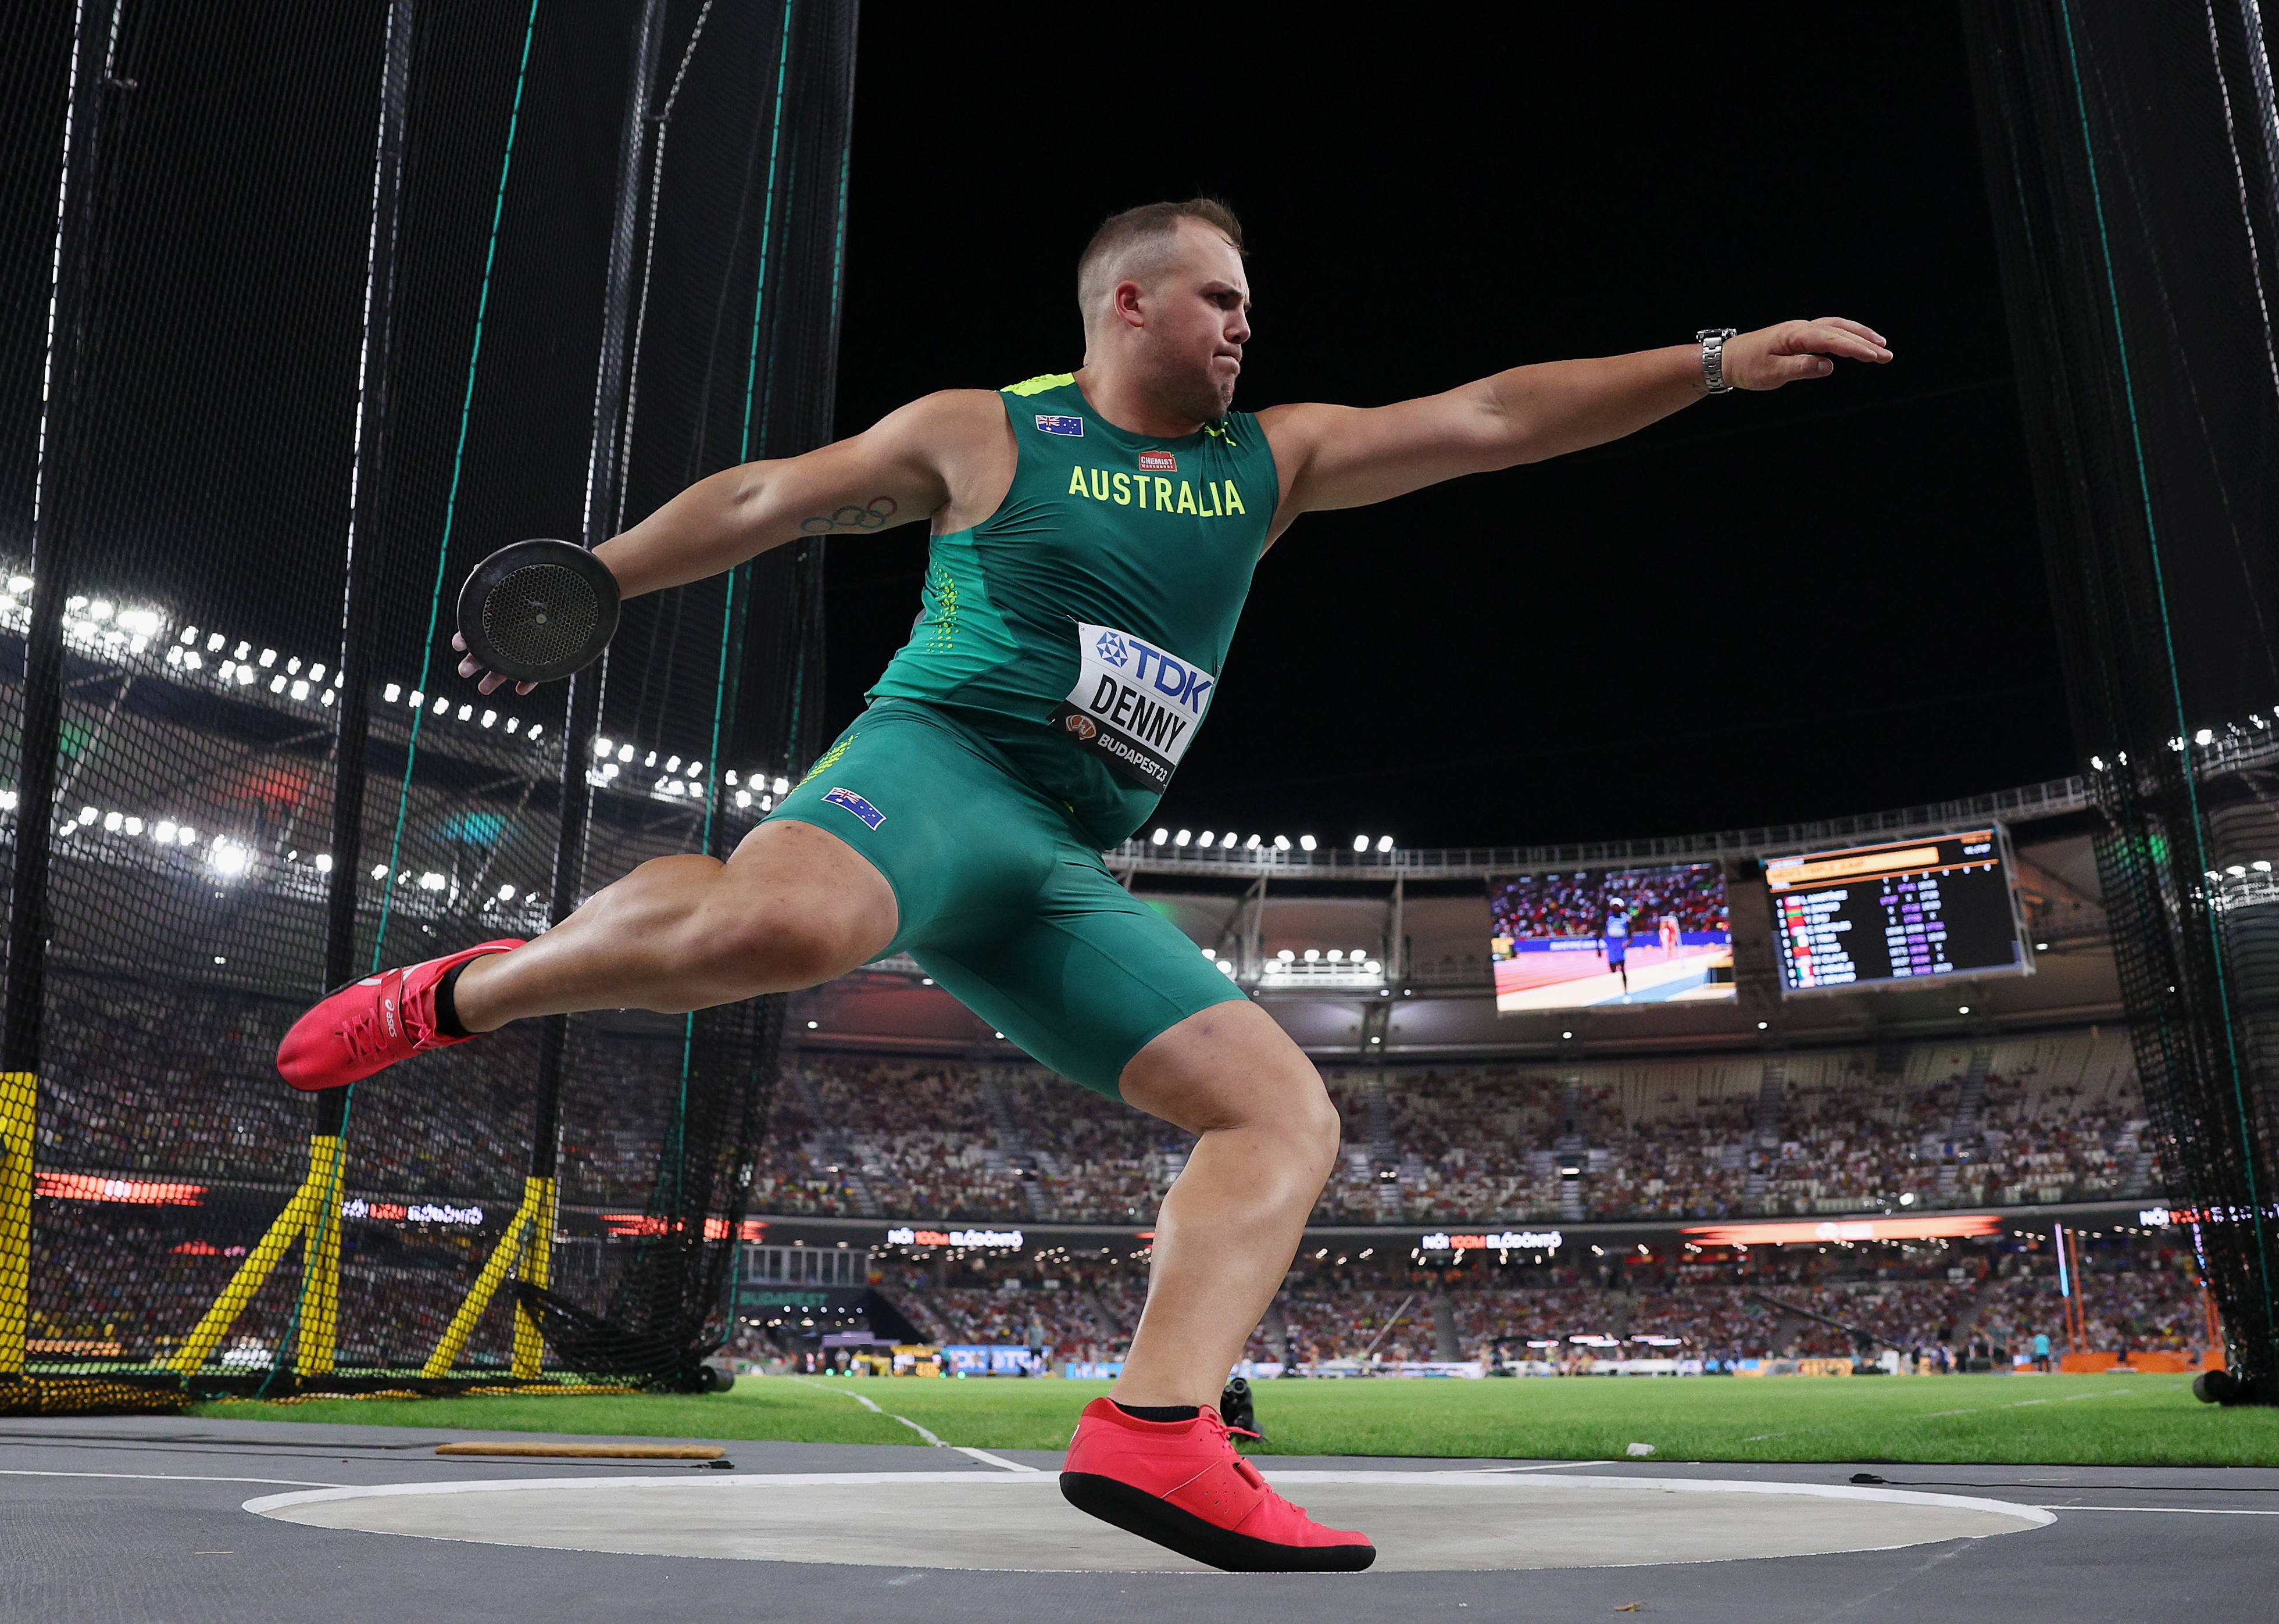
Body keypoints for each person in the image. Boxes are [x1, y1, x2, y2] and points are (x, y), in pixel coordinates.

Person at [276, 198, 1888, 1571]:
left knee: (1281, 1111)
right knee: (786, 925)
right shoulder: (989, 426)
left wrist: (1715, 361)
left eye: (1253, 305)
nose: (1249, 327)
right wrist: (606, 575)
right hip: (936, 770)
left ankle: (1157, 1430)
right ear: (1131, 299)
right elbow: (775, 497)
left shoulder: (1274, 461)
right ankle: (459, 989)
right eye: (1223, 298)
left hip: (1054, 861)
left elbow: (1491, 416)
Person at [1602, 896, 1635, 995]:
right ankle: (1614, 964)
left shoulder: (1626, 918)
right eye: (1614, 906)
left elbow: (1631, 935)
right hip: (1611, 945)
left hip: (1621, 944)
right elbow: (1601, 929)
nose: (1616, 908)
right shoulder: (1608, 917)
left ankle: (1626, 989)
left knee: (1623, 968)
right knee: (1613, 969)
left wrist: (1627, 943)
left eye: (1618, 906)